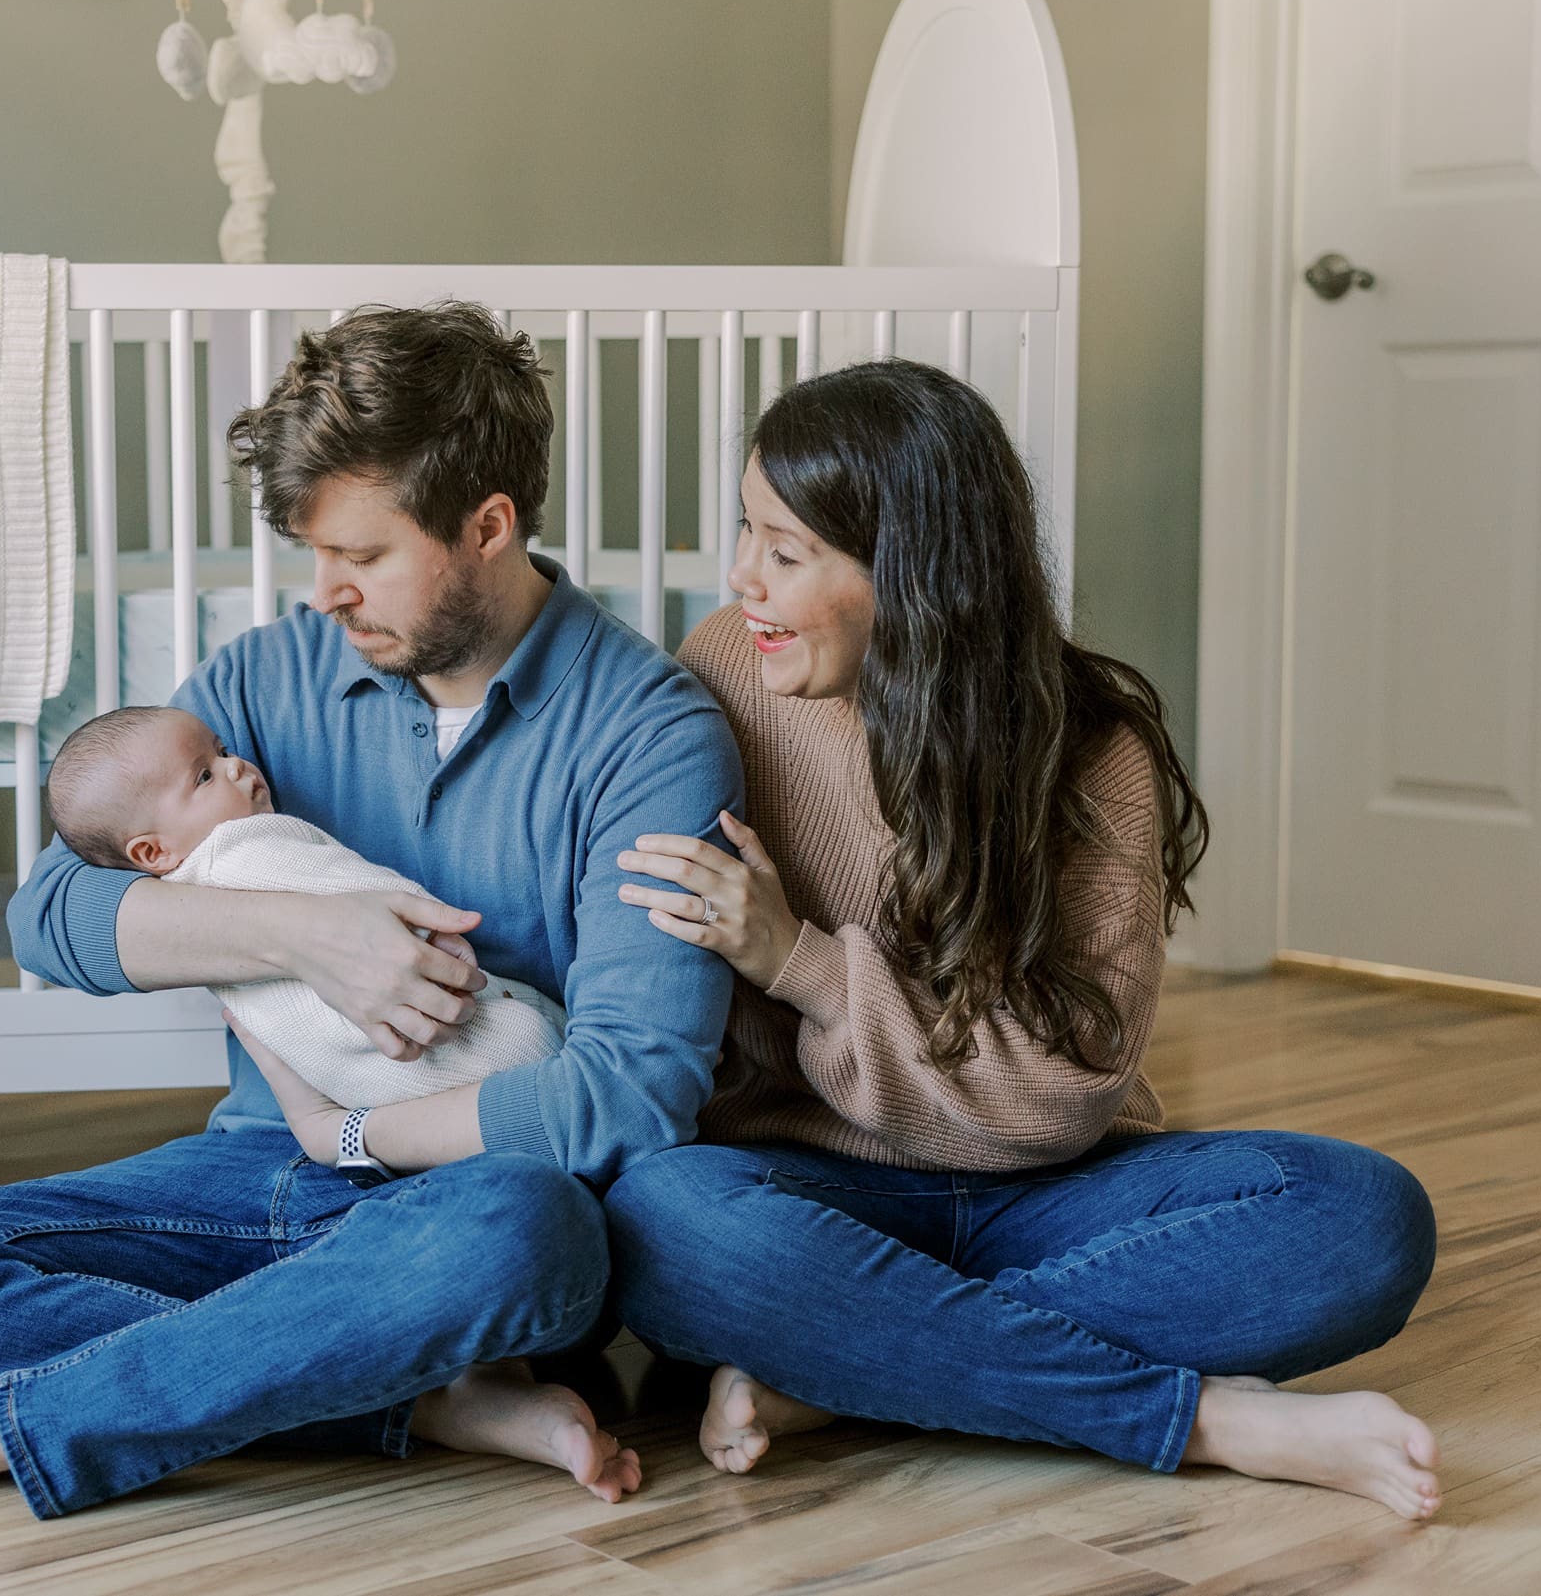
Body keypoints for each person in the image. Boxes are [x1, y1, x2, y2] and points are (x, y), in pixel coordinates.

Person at [0, 303, 742, 1530]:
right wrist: (302, 935)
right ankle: (403, 1398)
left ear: (488, 525)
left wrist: (351, 1137)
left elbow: (628, 1094)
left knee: (531, 1233)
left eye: (363, 555)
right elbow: (52, 910)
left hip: (457, 1207)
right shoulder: (265, 679)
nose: (326, 593)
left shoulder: (652, 736)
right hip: (255, 1172)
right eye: (312, 555)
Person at [604, 358, 1445, 1522]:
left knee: (1361, 1216)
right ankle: (1198, 1419)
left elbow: (1057, 1102)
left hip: (1048, 1189)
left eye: (785, 551)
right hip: (798, 1187)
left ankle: (857, 1366)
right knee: (662, 1217)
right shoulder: (724, 672)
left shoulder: (1091, 751)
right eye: (746, 532)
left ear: (912, 572)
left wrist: (799, 962)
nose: (742, 578)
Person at [43, 702, 566, 1106]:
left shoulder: (184, 894)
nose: (236, 768)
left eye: (223, 752)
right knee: (532, 1041)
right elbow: (352, 885)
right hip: (410, 1039)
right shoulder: (245, 849)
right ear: (152, 851)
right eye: (204, 775)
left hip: (347, 1081)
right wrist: (431, 928)